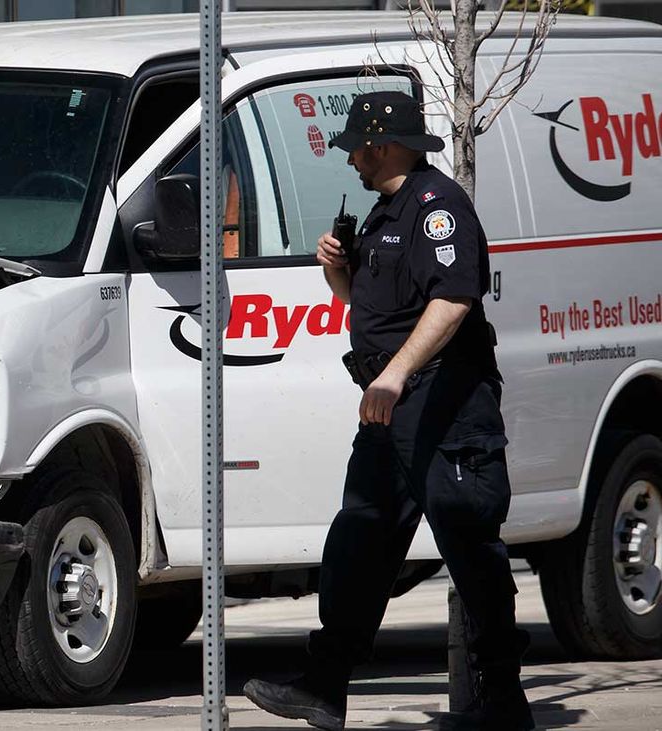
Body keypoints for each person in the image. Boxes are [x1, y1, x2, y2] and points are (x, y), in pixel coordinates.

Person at [241, 91, 533, 731]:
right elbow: (376, 309)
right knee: (360, 540)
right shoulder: (381, 213)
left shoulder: (438, 207)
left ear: (382, 143)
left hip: (443, 401)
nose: (351, 160)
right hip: (391, 405)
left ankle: (502, 703)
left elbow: (454, 299)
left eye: (355, 148)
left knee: (470, 546)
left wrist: (396, 375)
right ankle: (325, 684)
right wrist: (337, 274)